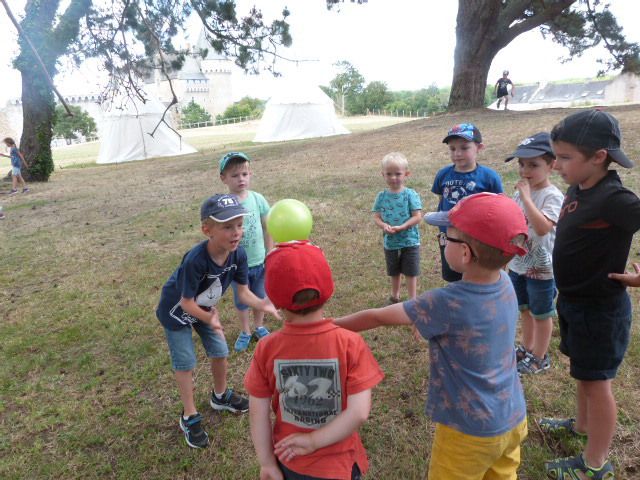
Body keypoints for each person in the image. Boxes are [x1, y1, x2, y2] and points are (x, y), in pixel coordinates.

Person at [336, 192, 529, 479]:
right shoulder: (504, 282)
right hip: (512, 416)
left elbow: (377, 317)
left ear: (465, 253)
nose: (441, 241)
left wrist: (329, 325)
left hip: (468, 433)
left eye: (445, 237)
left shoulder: (446, 301)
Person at [540, 109, 640, 479]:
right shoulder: (578, 185)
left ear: (599, 156)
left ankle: (595, 463)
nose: (557, 164)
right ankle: (581, 426)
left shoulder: (616, 198)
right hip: (572, 301)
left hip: (601, 309)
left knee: (598, 383)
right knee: (583, 372)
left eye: (565, 158)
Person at [245, 240, 384, 480]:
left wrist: (267, 462)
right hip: (339, 465)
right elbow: (359, 412)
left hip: (289, 460)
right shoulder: (350, 343)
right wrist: (314, 441)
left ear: (275, 301)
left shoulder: (266, 348)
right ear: (328, 290)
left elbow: (257, 411)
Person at [156, 193, 280, 449]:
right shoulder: (196, 260)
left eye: (239, 225)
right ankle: (189, 415)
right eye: (227, 227)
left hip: (205, 309)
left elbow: (244, 292)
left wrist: (263, 303)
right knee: (186, 362)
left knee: (220, 351)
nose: (236, 232)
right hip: (176, 311)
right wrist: (211, 319)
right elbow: (186, 303)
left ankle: (220, 396)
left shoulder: (239, 255)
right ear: (207, 230)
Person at [504, 132, 564, 375]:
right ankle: (526, 348)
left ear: (552, 165)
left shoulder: (553, 196)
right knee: (525, 308)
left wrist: (527, 198)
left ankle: (540, 356)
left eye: (533, 165)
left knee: (541, 313)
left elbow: (542, 227)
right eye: (521, 164)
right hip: (518, 263)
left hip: (542, 268)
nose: (525, 171)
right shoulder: (519, 194)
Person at [431, 123, 503, 282]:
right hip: (450, 237)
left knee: (476, 275)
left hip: (477, 238)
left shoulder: (489, 177)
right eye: (452, 149)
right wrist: (442, 230)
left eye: (464, 148)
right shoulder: (443, 175)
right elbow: (441, 201)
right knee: (453, 275)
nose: (457, 153)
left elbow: (499, 208)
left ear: (479, 147)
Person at [218, 151, 273, 352]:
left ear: (250, 174)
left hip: (260, 261)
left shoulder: (257, 199)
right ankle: (245, 330)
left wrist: (270, 250)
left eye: (244, 174)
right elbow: (218, 234)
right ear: (223, 178)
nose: (240, 179)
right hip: (236, 264)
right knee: (242, 300)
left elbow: (268, 226)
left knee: (259, 295)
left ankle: (259, 326)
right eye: (234, 175)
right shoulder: (224, 204)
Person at [372, 152, 422, 304]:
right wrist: (383, 225)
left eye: (398, 174)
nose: (393, 178)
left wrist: (403, 226)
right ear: (383, 175)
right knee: (394, 271)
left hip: (410, 241)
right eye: (389, 174)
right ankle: (395, 296)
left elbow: (417, 216)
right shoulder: (381, 196)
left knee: (410, 271)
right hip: (391, 242)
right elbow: (376, 216)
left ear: (406, 174)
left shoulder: (410, 195)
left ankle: (413, 300)